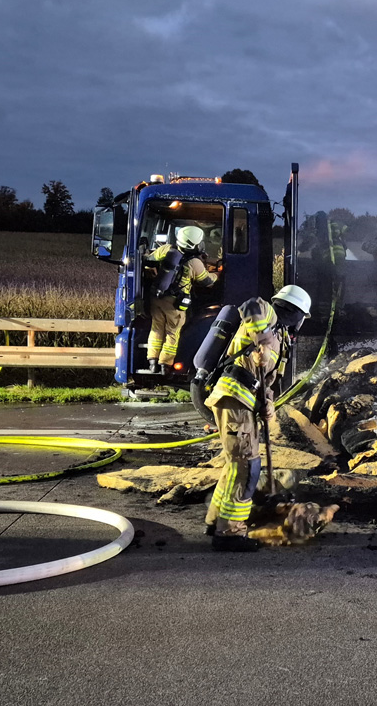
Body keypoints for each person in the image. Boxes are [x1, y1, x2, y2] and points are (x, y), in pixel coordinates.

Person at [202, 286, 312, 551]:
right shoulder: (268, 314)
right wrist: (262, 341)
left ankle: (216, 521)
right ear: (296, 312)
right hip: (233, 398)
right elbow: (251, 305)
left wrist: (268, 405)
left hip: (245, 403)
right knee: (246, 467)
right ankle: (229, 534)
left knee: (236, 466)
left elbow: (267, 382)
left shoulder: (281, 338)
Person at [143, 225, 217, 376]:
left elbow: (149, 259)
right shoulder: (194, 262)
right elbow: (207, 282)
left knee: (156, 328)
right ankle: (165, 364)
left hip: (156, 298)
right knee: (172, 332)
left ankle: (152, 362)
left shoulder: (166, 249)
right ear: (194, 244)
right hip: (174, 303)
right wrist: (217, 274)